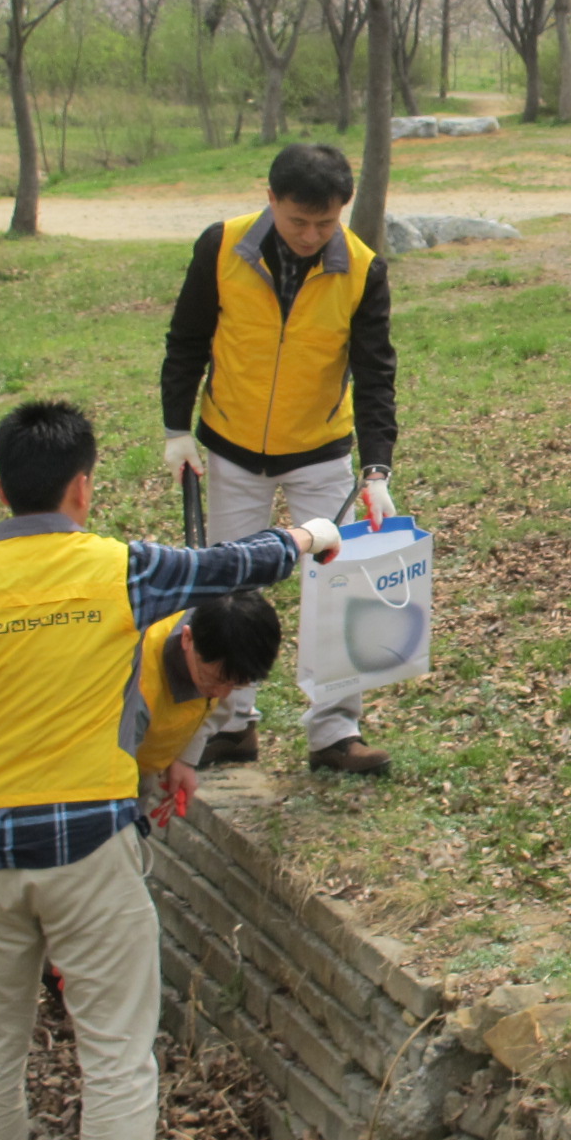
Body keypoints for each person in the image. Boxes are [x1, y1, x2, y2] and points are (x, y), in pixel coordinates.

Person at [0, 401, 339, 1140]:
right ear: (83, 488)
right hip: (93, 845)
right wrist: (313, 534)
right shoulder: (116, 569)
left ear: (0, 489)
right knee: (118, 1050)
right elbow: (229, 566)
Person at [160, 142, 400, 776]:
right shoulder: (222, 247)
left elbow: (376, 374)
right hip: (232, 448)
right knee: (230, 590)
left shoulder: (363, 270)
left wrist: (377, 470)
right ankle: (231, 722)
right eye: (299, 221)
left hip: (321, 453)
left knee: (340, 589)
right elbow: (186, 339)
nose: (311, 235)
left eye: (326, 223)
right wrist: (174, 427)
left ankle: (334, 731)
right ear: (271, 200)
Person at [131, 590, 283, 827]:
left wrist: (183, 758)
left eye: (237, 685)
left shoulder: (222, 662)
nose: (222, 694)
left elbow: (212, 708)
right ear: (187, 639)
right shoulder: (138, 686)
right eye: (215, 680)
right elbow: (103, 778)